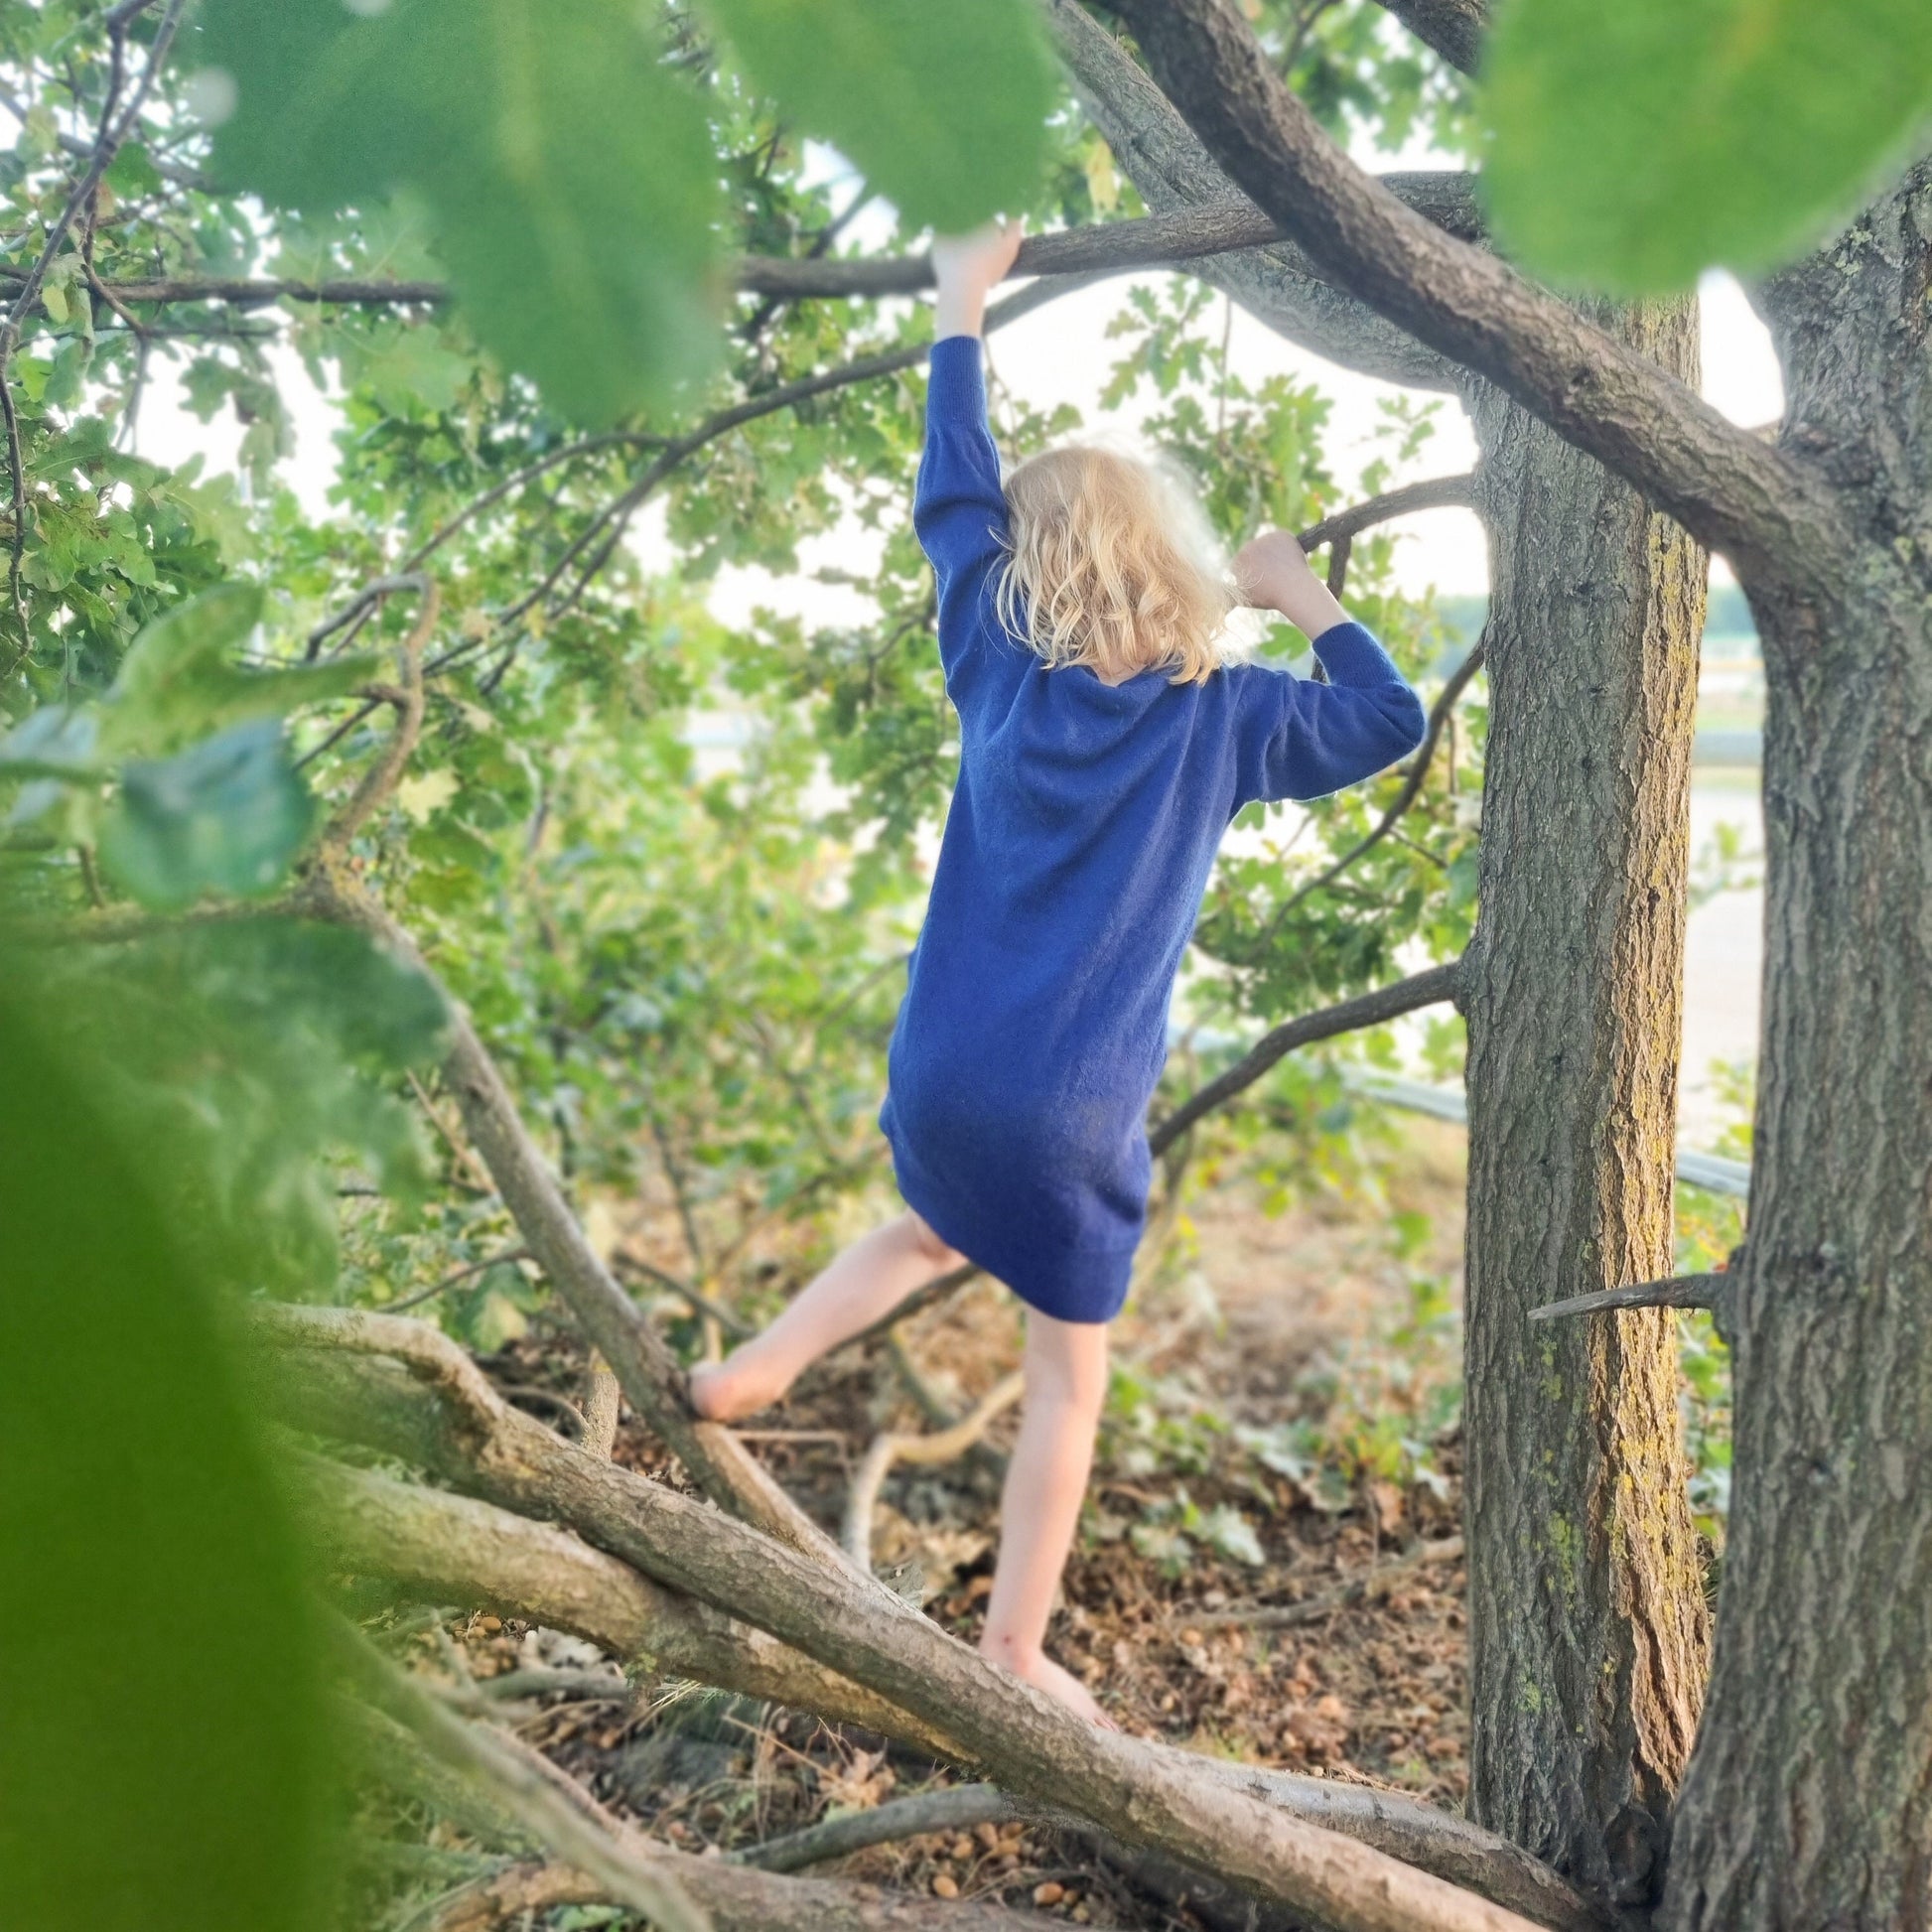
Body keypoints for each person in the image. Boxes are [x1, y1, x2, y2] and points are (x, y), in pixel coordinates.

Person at [692, 221, 1427, 1725]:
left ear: (1030, 577)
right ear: (1173, 562)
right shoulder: (1228, 719)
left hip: (944, 1073)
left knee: (924, 1232)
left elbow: (954, 498)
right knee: (1064, 1382)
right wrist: (1296, 591)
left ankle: (750, 1373)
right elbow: (1388, 717)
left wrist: (959, 301)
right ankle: (1015, 1646)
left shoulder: (995, 672)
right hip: (1073, 1119)